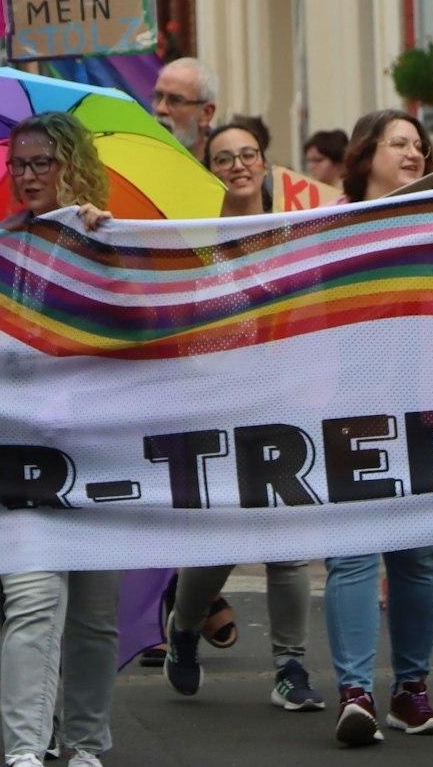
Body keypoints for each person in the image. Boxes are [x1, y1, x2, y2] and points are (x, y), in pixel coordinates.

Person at [164, 121, 325, 713]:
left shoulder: (293, 234)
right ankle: (184, 625)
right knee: (223, 540)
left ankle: (290, 666)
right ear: (209, 170)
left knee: (288, 544)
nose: (237, 165)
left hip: (285, 408)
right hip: (215, 410)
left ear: (264, 163)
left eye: (247, 154)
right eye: (223, 158)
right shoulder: (190, 245)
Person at [0, 112, 119, 767]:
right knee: (35, 598)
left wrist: (108, 249)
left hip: (102, 450)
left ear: (73, 165)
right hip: (23, 453)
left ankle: (88, 742)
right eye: (17, 163)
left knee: (96, 613)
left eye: (41, 162)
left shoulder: (111, 241)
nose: (27, 175)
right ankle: (24, 749)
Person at [322, 110, 433, 747]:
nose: (414, 152)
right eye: (399, 143)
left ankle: (411, 691)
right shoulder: (326, 228)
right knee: (352, 553)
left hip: (425, 409)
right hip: (351, 408)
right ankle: (355, 692)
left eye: (420, 145)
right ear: (366, 153)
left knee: (417, 556)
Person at [152, 57, 219, 163]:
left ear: (206, 113)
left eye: (175, 100)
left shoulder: (224, 170)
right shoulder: (135, 164)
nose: (160, 109)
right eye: (158, 96)